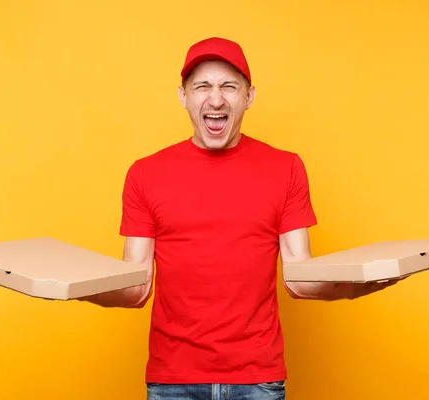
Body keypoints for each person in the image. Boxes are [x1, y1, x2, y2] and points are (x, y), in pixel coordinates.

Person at [81, 37, 400, 400]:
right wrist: (71, 287)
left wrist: (361, 284)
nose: (215, 99)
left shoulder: (286, 168)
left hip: (258, 381)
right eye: (202, 86)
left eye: (229, 86)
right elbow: (136, 288)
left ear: (249, 96)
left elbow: (299, 278)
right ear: (183, 96)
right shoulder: (145, 174)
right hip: (173, 381)